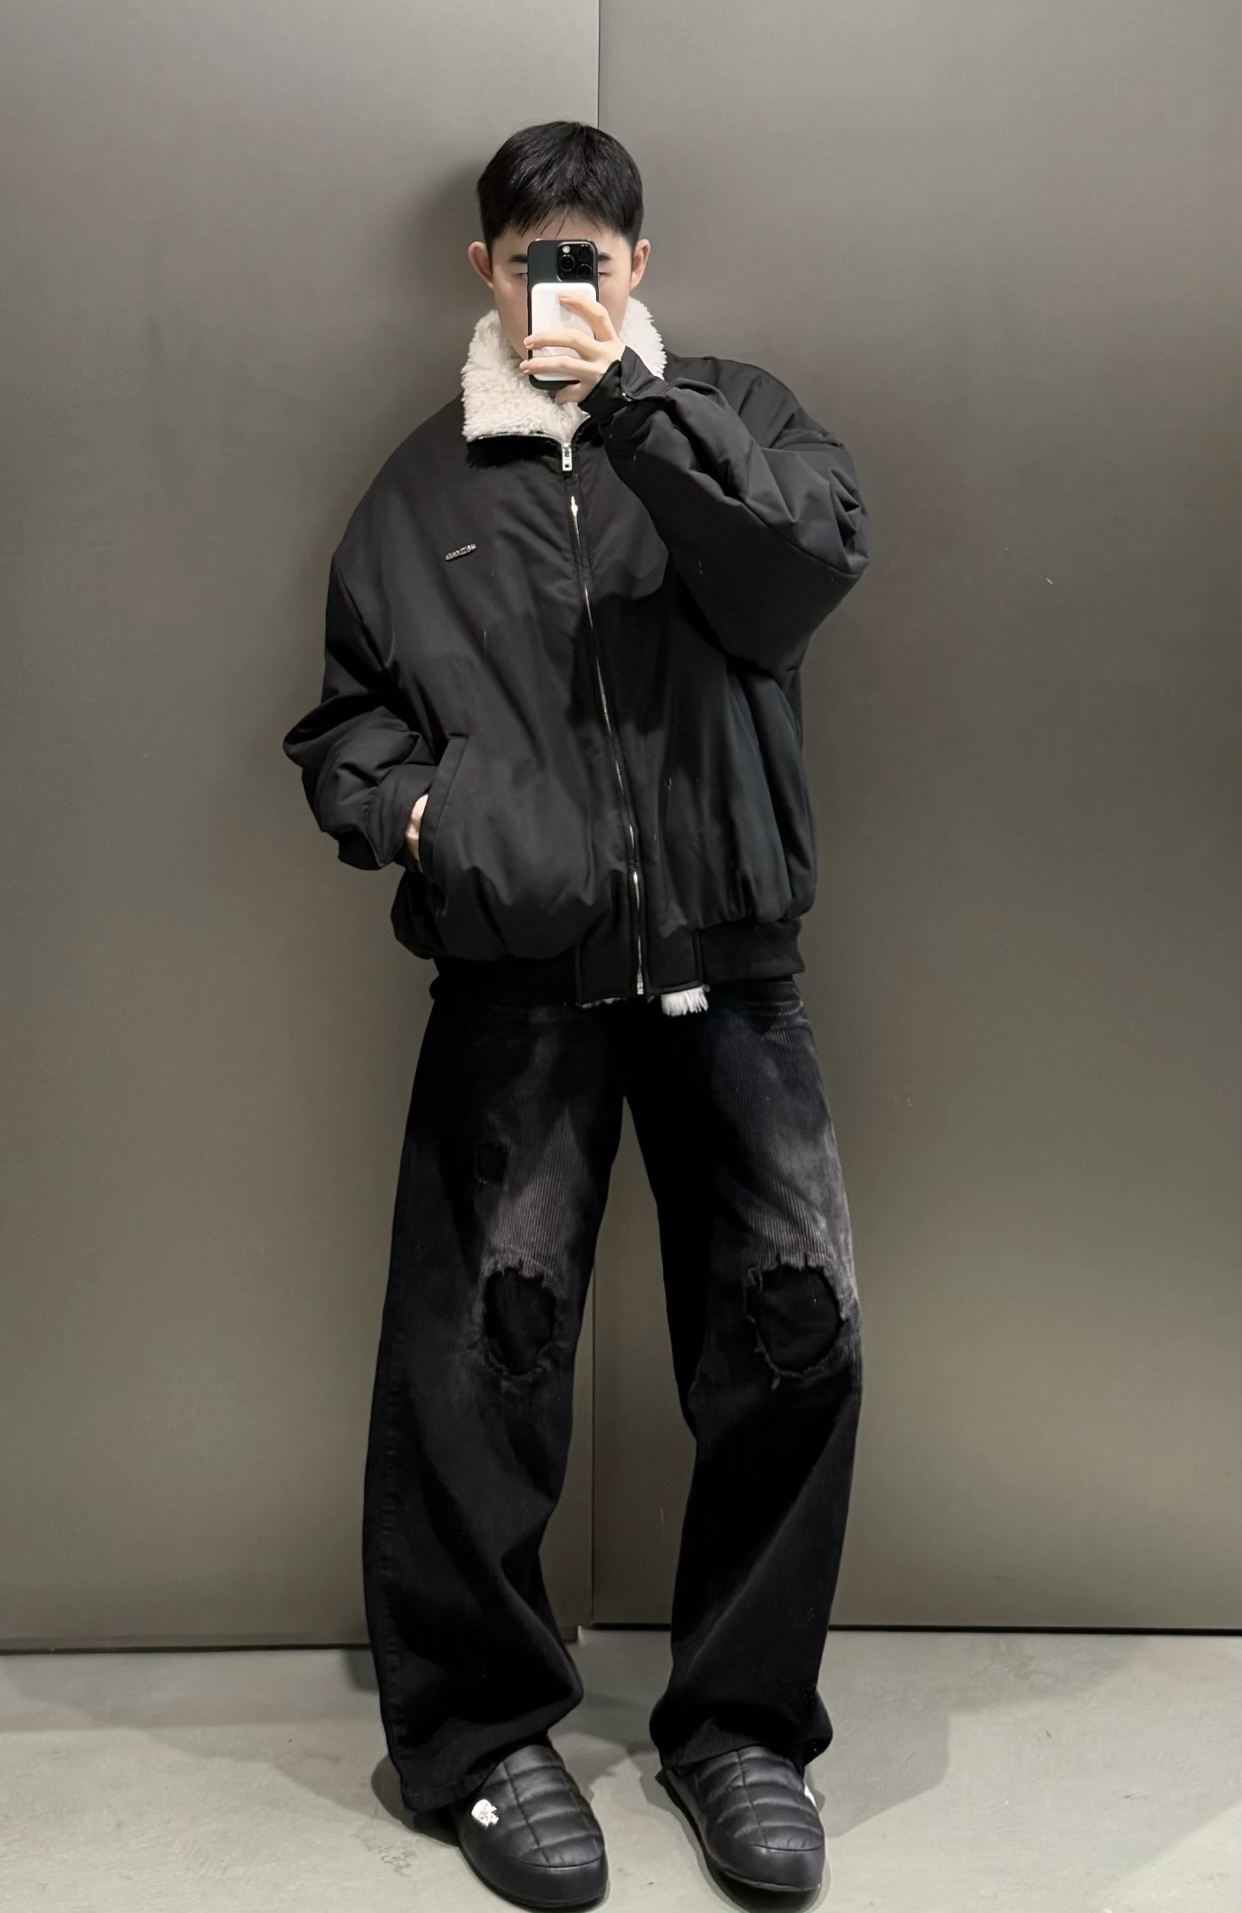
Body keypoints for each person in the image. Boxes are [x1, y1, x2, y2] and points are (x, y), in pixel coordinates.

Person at [282, 119, 870, 1909]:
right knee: (481, 1355)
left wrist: (627, 408)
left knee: (792, 1338)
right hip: (519, 979)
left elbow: (793, 580)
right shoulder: (418, 490)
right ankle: (476, 1738)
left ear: (636, 264)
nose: (563, 284)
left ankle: (740, 1728)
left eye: (592, 257)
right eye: (534, 255)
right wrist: (423, 816)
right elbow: (345, 723)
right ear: (483, 268)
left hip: (730, 961)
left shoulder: (734, 417)